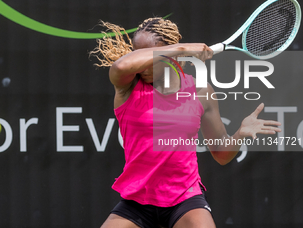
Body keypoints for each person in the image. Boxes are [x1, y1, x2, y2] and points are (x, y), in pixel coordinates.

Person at [91, 17, 281, 228]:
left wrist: (239, 134)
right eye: (138, 54)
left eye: (152, 56)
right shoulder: (126, 86)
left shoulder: (201, 91)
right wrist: (180, 48)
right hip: (137, 201)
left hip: (184, 197)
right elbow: (121, 65)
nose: (143, 66)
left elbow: (221, 155)